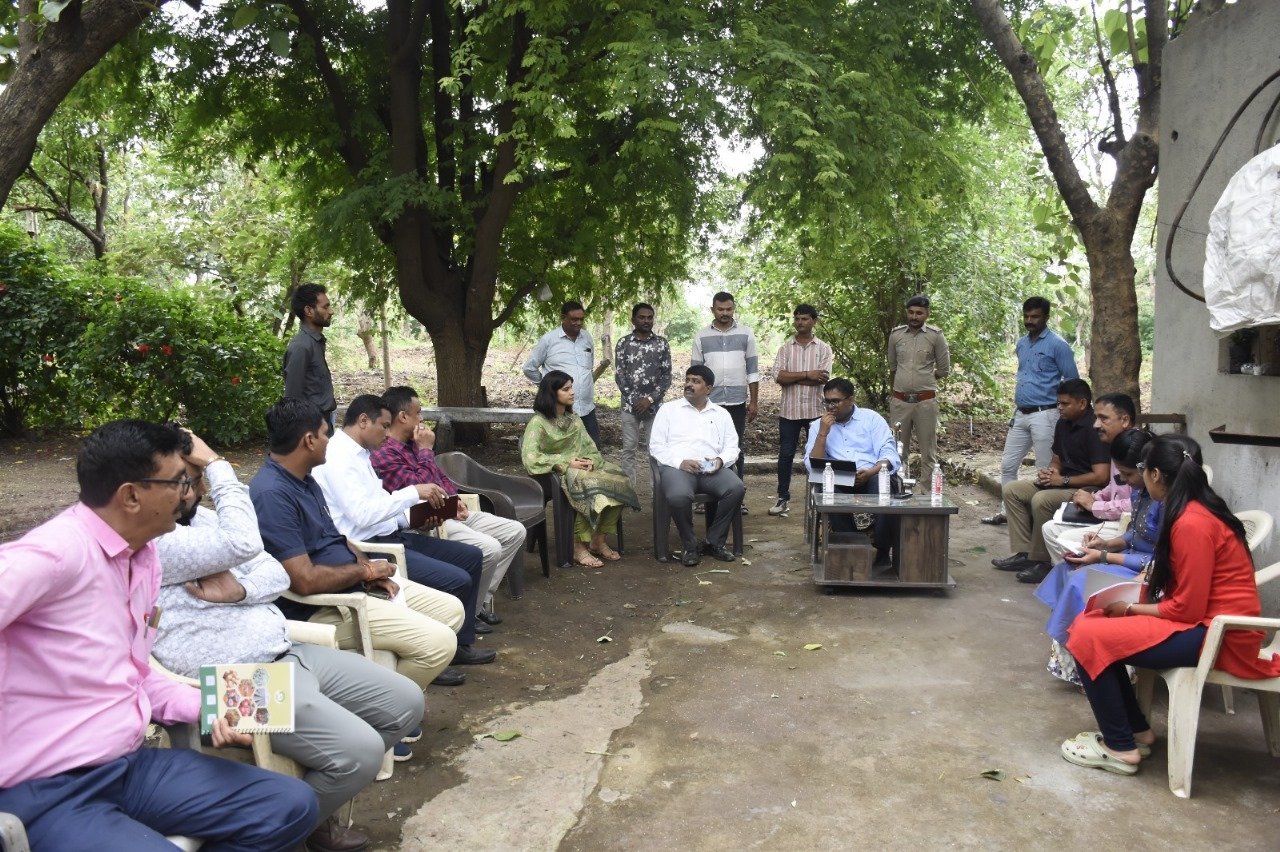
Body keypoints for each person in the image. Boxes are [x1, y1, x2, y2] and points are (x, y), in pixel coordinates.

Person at [0, 420, 318, 851]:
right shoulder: (55, 554)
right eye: (178, 482)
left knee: (290, 803)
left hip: (127, 766)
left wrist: (208, 704)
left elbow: (134, 670)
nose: (188, 493)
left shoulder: (143, 556)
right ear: (131, 495)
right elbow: (242, 543)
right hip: (49, 789)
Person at [153, 429, 423, 852]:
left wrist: (239, 590)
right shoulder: (157, 540)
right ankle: (275, 832)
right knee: (360, 753)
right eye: (189, 479)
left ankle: (302, 817)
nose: (201, 487)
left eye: (201, 475)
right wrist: (220, 464)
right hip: (235, 678)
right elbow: (244, 542)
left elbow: (275, 572)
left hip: (287, 650)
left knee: (405, 702)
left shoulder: (204, 522)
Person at [1060, 434, 1280, 776]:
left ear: (1157, 474)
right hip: (1207, 624)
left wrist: (1130, 609)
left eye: (1143, 471)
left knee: (1088, 635)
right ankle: (1136, 731)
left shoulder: (1192, 522)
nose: (1142, 479)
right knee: (1093, 623)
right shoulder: (1193, 510)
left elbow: (1187, 610)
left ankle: (1120, 749)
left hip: (1218, 634)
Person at [249, 397, 470, 694]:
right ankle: (393, 710)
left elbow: (339, 538)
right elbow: (303, 580)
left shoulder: (304, 479)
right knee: (439, 644)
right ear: (309, 440)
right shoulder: (272, 495)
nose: (331, 439)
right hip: (328, 606)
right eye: (326, 433)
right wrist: (364, 573)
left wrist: (371, 571)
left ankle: (394, 698)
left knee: (452, 610)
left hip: (356, 581)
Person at [312, 394, 494, 667]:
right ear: (363, 421)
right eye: (383, 426)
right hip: (371, 547)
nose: (387, 434)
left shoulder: (360, 454)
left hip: (390, 534)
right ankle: (437, 653)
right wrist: (412, 493)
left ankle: (460, 644)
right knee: (457, 579)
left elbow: (380, 507)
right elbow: (362, 515)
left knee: (471, 556)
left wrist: (419, 517)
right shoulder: (339, 456)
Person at [371, 385, 526, 621]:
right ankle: (469, 615)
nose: (422, 418)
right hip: (424, 521)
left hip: (449, 512)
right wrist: (425, 450)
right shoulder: (385, 455)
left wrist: (456, 500)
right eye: (418, 412)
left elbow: (441, 479)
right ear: (403, 416)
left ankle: (479, 602)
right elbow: (422, 490)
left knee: (515, 531)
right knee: (490, 548)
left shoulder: (415, 444)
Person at [1033, 428, 1158, 685]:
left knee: (1081, 579)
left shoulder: (1168, 502)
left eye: (1128, 474)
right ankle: (1075, 660)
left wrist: (1103, 556)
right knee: (1066, 569)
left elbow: (1161, 560)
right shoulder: (1141, 491)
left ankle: (1094, 665)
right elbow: (1134, 533)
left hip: (1150, 571)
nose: (1125, 481)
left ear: (1151, 471)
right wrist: (1107, 543)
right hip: (1133, 559)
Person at [992, 379, 1110, 584]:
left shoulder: (1094, 428)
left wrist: (1062, 480)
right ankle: (1024, 553)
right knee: (1013, 489)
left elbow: (1101, 476)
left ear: (1082, 404)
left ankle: (1043, 561)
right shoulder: (1062, 423)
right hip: (1063, 482)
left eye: (1065, 404)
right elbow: (1056, 460)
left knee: (1042, 499)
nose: (1059, 408)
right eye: (1058, 403)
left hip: (1086, 488)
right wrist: (1050, 473)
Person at [521, 371, 639, 568]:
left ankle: (598, 540)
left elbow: (591, 448)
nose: (572, 392)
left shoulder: (574, 419)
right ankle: (578, 546)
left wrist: (590, 461)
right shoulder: (538, 423)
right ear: (552, 393)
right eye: (566, 389)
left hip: (579, 470)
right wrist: (568, 462)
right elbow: (530, 457)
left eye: (572, 387)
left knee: (619, 480)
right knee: (585, 483)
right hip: (549, 476)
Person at [983, 296, 1079, 525]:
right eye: (1026, 316)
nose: (1029, 321)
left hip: (1046, 413)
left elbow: (1073, 380)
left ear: (1046, 317)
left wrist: (1063, 411)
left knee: (1044, 467)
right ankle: (1008, 512)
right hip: (1021, 413)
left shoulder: (1058, 345)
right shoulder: (1022, 344)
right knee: (1008, 464)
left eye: (1035, 316)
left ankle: (1042, 518)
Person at [649, 365, 746, 566]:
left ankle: (714, 542)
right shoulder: (668, 410)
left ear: (708, 389)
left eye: (696, 381)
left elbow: (732, 446)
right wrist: (679, 462)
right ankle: (690, 546)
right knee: (678, 496)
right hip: (678, 468)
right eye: (688, 380)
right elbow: (656, 446)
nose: (689, 385)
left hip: (711, 469)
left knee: (736, 488)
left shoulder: (721, 414)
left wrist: (720, 461)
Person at [803, 378, 903, 569]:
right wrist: (823, 433)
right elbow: (812, 465)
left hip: (871, 472)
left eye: (836, 401)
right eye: (827, 401)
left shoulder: (871, 419)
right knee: (827, 488)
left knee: (883, 486)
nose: (831, 406)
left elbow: (889, 453)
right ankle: (855, 545)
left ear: (851, 400)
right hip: (839, 476)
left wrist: (872, 471)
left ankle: (882, 550)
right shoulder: (818, 425)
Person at [1040, 393, 1137, 566]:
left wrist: (1095, 505)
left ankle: (1081, 583)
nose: (1096, 424)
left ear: (1124, 420)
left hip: (1128, 525)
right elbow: (1115, 485)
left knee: (1064, 539)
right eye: (1096, 418)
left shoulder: (1137, 450)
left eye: (1103, 418)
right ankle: (1071, 582)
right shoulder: (1117, 446)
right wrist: (1094, 497)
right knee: (1049, 529)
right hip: (1113, 517)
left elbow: (1136, 504)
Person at [691, 291, 759, 511]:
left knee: (735, 448)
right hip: (709, 403)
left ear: (734, 308)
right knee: (706, 445)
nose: (725, 313)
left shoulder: (746, 334)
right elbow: (695, 373)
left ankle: (737, 497)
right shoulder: (701, 336)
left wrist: (754, 401)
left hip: (737, 403)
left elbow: (753, 371)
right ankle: (704, 497)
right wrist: (695, 401)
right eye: (720, 309)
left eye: (729, 309)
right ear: (713, 309)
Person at [768, 303, 833, 517]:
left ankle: (820, 498)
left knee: (818, 455)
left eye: (805, 319)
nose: (800, 323)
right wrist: (807, 374)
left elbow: (821, 379)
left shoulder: (823, 349)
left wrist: (794, 377)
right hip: (790, 412)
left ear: (814, 321)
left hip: (815, 411)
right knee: (785, 455)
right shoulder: (785, 348)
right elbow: (779, 377)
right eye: (797, 319)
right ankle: (782, 498)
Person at [523, 300, 610, 446]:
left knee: (594, 451)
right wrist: (549, 387)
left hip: (587, 409)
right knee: (564, 454)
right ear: (563, 318)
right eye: (574, 319)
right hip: (560, 412)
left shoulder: (587, 338)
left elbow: (587, 369)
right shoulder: (549, 340)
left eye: (581, 319)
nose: (578, 323)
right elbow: (529, 368)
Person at [887, 295, 950, 482]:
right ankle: (897, 489)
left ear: (927, 314)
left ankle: (927, 494)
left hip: (925, 402)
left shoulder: (935, 336)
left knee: (928, 451)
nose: (914, 317)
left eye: (919, 313)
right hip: (900, 401)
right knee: (897, 449)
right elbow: (892, 366)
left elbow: (944, 369)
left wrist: (925, 379)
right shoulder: (896, 335)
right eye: (911, 312)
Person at [614, 303, 672, 487]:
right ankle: (628, 492)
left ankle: (657, 493)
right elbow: (620, 375)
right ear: (633, 320)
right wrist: (635, 400)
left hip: (654, 407)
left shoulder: (662, 343)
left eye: (650, 317)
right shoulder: (623, 343)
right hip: (629, 407)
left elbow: (666, 376)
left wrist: (649, 400)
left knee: (654, 449)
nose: (646, 321)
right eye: (642, 317)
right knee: (628, 449)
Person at [283, 283, 337, 429]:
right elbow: (292, 400)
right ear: (308, 310)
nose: (331, 311)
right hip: (311, 428)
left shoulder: (315, 343)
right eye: (325, 307)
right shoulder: (301, 346)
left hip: (323, 424)